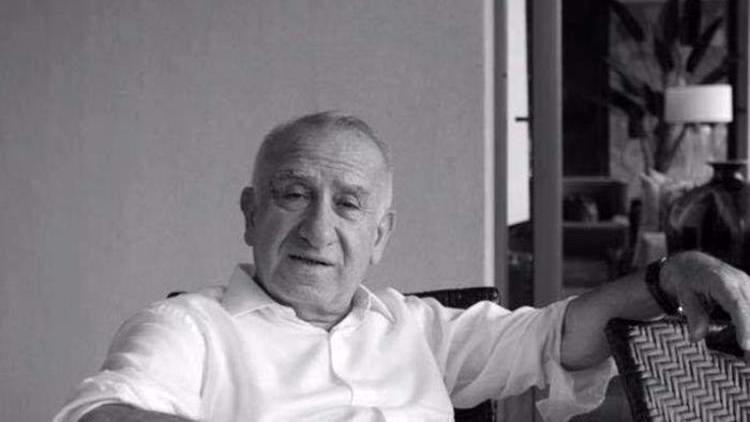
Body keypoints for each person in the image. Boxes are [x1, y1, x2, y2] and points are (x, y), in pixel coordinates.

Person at [55, 112, 750, 422]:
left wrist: (668, 275)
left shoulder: (417, 329)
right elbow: (98, 413)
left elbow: (558, 335)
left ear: (380, 234)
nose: (318, 229)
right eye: (293, 194)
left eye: (348, 204)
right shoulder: (188, 328)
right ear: (250, 213)